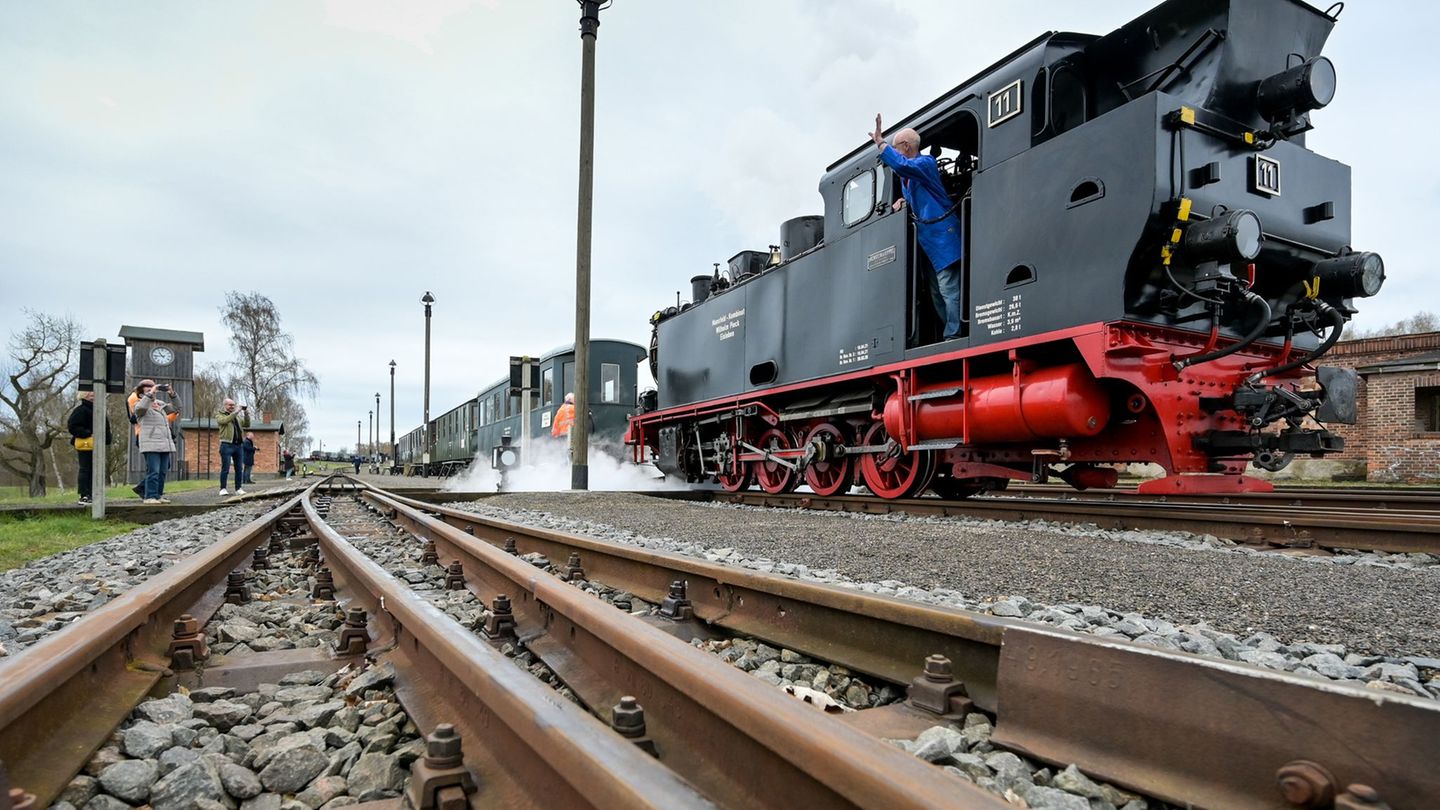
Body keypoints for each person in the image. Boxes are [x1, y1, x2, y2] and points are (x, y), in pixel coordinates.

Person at [871, 114, 964, 341]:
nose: (892, 152)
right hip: (929, 241)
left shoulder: (925, 163)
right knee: (935, 292)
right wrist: (903, 202)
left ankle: (955, 335)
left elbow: (902, 166)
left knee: (949, 289)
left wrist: (881, 143)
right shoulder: (911, 178)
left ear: (905, 146)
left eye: (895, 147)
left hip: (943, 237)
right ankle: (950, 332)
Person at [132, 381, 178, 504]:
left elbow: (176, 408)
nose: (152, 393)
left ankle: (158, 495)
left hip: (164, 442)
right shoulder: (139, 406)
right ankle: (149, 496)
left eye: (152, 390)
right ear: (141, 395)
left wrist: (172, 394)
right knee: (153, 471)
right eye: (147, 391)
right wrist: (151, 393)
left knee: (162, 471)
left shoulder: (160, 405)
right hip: (150, 442)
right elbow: (142, 408)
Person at [66, 391, 113, 505]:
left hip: (99, 444)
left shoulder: (100, 409)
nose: (94, 396)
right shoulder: (81, 410)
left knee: (97, 469)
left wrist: (107, 438)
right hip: (86, 444)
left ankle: (94, 493)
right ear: (85, 396)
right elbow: (72, 426)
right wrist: (88, 433)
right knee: (86, 468)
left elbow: (106, 426)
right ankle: (84, 495)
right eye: (91, 394)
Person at [217, 399, 251, 496]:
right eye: (230, 405)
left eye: (233, 405)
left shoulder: (237, 417)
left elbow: (247, 425)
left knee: (239, 468)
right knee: (225, 468)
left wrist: (246, 414)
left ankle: (238, 488)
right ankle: (223, 488)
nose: (232, 406)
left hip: (238, 446)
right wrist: (236, 412)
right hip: (226, 445)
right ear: (225, 405)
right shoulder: (220, 415)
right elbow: (224, 421)